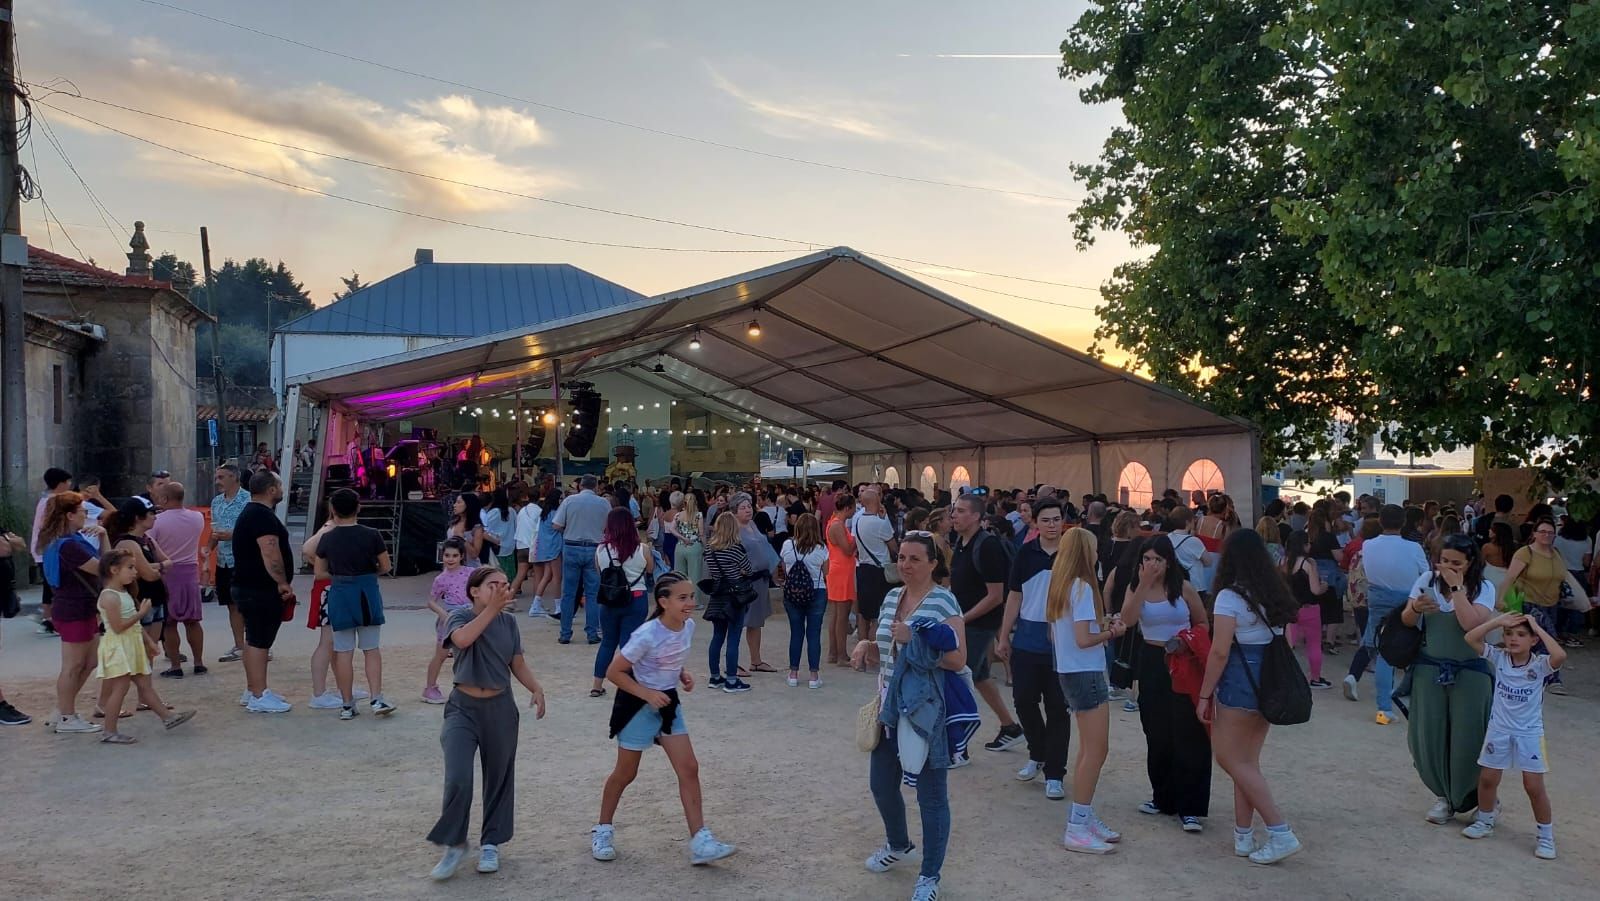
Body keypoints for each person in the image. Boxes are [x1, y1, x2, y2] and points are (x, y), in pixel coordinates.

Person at [849, 531, 965, 901]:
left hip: (925, 710)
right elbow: (886, 643)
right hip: (888, 705)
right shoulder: (891, 596)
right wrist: (867, 644)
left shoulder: (944, 602)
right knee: (881, 784)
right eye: (901, 557)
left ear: (933, 563)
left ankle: (930, 875)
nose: (906, 565)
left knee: (931, 796)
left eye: (915, 559)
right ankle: (899, 844)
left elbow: (958, 660)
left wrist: (911, 639)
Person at [592, 572, 737, 867]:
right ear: (663, 601)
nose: (690, 603)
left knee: (689, 768)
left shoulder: (688, 626)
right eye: (682, 598)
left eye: (692, 597)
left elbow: (670, 657)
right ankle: (603, 830)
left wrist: (680, 673)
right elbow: (613, 672)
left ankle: (700, 840)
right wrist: (646, 693)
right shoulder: (646, 633)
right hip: (636, 706)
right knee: (625, 773)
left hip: (668, 703)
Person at [427, 565, 548, 879]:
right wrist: (491, 611)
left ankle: (491, 842)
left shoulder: (508, 623)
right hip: (462, 708)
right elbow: (463, 640)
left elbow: (516, 661)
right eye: (493, 585)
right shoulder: (459, 616)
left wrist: (535, 687)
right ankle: (454, 842)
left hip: (500, 708)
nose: (502, 590)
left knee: (499, 778)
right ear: (474, 591)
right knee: (458, 776)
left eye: (505, 585)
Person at [1196, 530, 1303, 865]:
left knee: (1230, 758)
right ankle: (1243, 834)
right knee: (1247, 761)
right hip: (1270, 679)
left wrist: (1204, 694)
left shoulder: (1229, 597)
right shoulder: (1273, 591)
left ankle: (1279, 830)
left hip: (1240, 682)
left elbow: (1219, 652)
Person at [1119, 534, 1212, 831]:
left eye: (1157, 559)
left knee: (1188, 732)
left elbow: (1202, 622)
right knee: (1156, 730)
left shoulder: (1182, 588)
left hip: (1183, 660)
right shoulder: (1136, 588)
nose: (1152, 564)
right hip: (1152, 659)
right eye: (1147, 558)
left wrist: (1186, 641)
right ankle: (1163, 796)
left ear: (1168, 561)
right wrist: (1144, 584)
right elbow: (1127, 621)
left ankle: (1191, 806)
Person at [1402, 533, 1497, 825]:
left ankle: (1480, 799)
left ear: (1470, 563)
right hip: (1429, 671)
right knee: (1429, 734)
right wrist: (1415, 608)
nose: (1447, 567)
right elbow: (1406, 619)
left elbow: (1471, 624)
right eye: (1443, 560)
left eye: (1456, 563)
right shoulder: (1426, 581)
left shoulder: (1484, 587)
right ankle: (1443, 796)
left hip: (1471, 673)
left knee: (1470, 736)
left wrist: (1457, 588)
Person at [1459, 611, 1565, 859]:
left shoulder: (1539, 665)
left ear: (1533, 640)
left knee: (1533, 786)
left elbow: (1560, 655)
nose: (1513, 639)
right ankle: (1485, 821)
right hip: (1499, 730)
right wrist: (1497, 621)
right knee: (1487, 779)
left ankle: (1546, 836)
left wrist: (1537, 628)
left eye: (1520, 635)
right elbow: (1470, 639)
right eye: (1509, 634)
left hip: (1529, 733)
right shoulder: (1499, 657)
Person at [1048, 528, 1127, 854]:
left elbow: (1063, 637)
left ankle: (1084, 815)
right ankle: (1078, 824)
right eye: (1094, 549)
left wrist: (1102, 626)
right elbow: (1083, 639)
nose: (1098, 553)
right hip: (1086, 672)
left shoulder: (1061, 585)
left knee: (1088, 750)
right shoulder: (1081, 587)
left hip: (1072, 670)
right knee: (1096, 750)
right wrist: (1112, 633)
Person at [995, 498, 1072, 801]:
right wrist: (1004, 636)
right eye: (1047, 520)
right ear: (1035, 523)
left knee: (1057, 708)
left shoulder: (1072, 554)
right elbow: (1014, 596)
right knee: (1024, 700)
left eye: (1057, 519)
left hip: (1061, 640)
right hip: (1028, 636)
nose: (1052, 525)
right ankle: (1036, 753)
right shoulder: (1025, 553)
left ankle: (1055, 772)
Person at [91, 549, 196, 744]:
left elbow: (134, 626)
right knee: (120, 689)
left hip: (130, 645)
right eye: (130, 568)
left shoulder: (122, 593)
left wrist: (149, 642)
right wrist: (142, 613)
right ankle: (109, 731)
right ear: (114, 570)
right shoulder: (109, 596)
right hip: (119, 647)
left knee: (144, 685)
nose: (135, 572)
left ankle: (168, 718)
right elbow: (118, 627)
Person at [948, 492, 1023, 754]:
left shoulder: (987, 546)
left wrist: (961, 619)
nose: (954, 515)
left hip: (978, 624)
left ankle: (958, 744)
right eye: (954, 510)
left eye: (960, 511)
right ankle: (1010, 727)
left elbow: (995, 596)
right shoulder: (961, 541)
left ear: (977, 516)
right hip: (965, 621)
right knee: (979, 676)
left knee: (957, 680)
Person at [313, 488, 396, 720]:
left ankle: (347, 704)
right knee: (371, 649)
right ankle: (376, 697)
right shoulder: (372, 534)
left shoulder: (327, 538)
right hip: (367, 592)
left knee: (343, 651)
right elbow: (386, 566)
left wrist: (339, 573)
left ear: (333, 510)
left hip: (340, 593)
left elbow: (319, 573)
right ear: (358, 507)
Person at [1343, 505, 1429, 724]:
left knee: (1384, 653)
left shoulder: (1368, 545)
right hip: (1407, 600)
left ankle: (1384, 708)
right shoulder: (1414, 548)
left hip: (1378, 600)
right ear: (1403, 522)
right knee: (1417, 648)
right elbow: (1426, 574)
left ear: (1380, 521)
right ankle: (1417, 702)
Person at [37, 492, 110, 733]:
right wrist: (105, 536)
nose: (86, 516)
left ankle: (63, 710)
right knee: (73, 665)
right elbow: (105, 568)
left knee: (89, 661)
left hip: (82, 607)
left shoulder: (66, 540)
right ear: (69, 515)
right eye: (83, 512)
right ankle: (67, 716)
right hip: (73, 608)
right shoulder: (68, 545)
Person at [231, 471, 295, 714]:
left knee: (254, 640)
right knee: (260, 641)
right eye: (279, 485)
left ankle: (254, 689)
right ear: (271, 490)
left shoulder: (252, 513)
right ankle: (259, 694)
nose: (282, 490)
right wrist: (281, 581)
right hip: (259, 588)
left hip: (248, 586)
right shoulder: (262, 516)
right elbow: (270, 552)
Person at [1500, 518, 1586, 696]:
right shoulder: (1525, 553)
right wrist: (1501, 599)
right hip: (1529, 603)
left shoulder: (1556, 554)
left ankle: (1527, 676)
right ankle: (1554, 680)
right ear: (1535, 534)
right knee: (1550, 640)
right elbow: (1510, 577)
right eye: (1543, 532)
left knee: (1535, 643)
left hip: (1552, 604)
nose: (1547, 535)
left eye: (1550, 532)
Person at [103, 498, 176, 679]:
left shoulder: (146, 539)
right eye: (151, 514)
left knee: (150, 650)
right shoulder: (128, 543)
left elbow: (168, 562)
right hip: (141, 597)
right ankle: (143, 694)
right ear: (138, 518)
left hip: (155, 597)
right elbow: (148, 574)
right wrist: (159, 567)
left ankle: (146, 693)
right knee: (142, 649)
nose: (155, 518)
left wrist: (154, 566)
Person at [591, 507, 655, 698]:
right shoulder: (642, 549)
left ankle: (596, 685)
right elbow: (650, 570)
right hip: (636, 599)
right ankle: (628, 685)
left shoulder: (601, 549)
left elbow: (599, 572)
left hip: (610, 600)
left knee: (608, 643)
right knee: (630, 644)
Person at [148, 483, 207, 677]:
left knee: (170, 623)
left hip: (167, 572)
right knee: (193, 620)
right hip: (190, 571)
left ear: (165, 499)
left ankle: (175, 666)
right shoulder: (197, 518)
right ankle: (198, 662)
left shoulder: (156, 521)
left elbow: (151, 547)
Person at [555, 474, 613, 645]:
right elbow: (609, 527)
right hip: (594, 549)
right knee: (593, 594)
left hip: (571, 547)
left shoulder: (569, 501)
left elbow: (556, 525)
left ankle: (565, 633)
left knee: (568, 593)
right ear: (596, 487)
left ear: (580, 486)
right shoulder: (604, 503)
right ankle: (592, 633)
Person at [702, 512, 754, 693]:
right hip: (735, 596)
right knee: (733, 637)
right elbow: (748, 569)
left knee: (717, 636)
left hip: (717, 595)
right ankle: (732, 679)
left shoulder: (709, 549)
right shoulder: (736, 548)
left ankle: (715, 676)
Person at [780, 512, 830, 689]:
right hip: (816, 591)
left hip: (793, 592)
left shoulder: (787, 545)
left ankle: (793, 673)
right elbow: (826, 572)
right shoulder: (821, 548)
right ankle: (814, 676)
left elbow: (785, 568)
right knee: (814, 634)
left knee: (796, 632)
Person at [731, 494, 779, 675]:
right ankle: (732, 662)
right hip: (745, 581)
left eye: (749, 506)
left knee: (756, 622)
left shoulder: (752, 525)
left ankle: (756, 660)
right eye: (743, 507)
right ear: (735, 511)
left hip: (760, 580)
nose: (747, 510)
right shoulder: (734, 529)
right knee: (738, 622)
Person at [423, 538, 475, 704]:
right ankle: (430, 687)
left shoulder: (471, 573)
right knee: (441, 654)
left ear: (461, 556)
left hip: (469, 617)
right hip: (449, 619)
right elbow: (431, 601)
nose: (450, 559)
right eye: (447, 555)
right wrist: (444, 614)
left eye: (454, 555)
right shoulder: (440, 579)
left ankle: (469, 688)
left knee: (470, 654)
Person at [209, 464, 252, 662]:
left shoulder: (248, 501)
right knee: (231, 604)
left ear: (234, 477)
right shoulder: (216, 502)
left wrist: (232, 535)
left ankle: (257, 644)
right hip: (223, 560)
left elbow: (254, 530)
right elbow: (214, 530)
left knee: (249, 604)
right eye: (217, 477)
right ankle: (239, 645)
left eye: (221, 477)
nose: (218, 481)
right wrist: (208, 547)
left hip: (243, 559)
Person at [1281, 531, 1332, 690]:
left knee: (1288, 644)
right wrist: (1325, 585)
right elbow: (1315, 590)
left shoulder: (1283, 561)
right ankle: (1315, 678)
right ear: (1303, 545)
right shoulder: (1308, 564)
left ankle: (1285, 677)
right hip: (1309, 609)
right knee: (1314, 645)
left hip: (1290, 609)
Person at [29, 466, 75, 635]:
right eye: (67, 481)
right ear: (60, 483)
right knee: (52, 587)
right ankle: (50, 621)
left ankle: (48, 620)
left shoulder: (46, 499)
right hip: (48, 550)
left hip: (44, 549)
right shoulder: (53, 501)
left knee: (49, 587)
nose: (70, 484)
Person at [855, 487, 900, 646]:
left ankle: (861, 648)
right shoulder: (880, 524)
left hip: (863, 568)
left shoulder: (858, 521)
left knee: (863, 613)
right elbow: (893, 547)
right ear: (877, 502)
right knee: (876, 615)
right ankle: (873, 651)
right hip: (879, 571)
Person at [825, 493, 859, 667]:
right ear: (847, 508)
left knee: (836, 614)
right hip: (841, 571)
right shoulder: (838, 525)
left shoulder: (834, 522)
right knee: (841, 615)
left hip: (837, 569)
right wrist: (856, 537)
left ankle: (833, 653)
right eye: (853, 508)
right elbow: (847, 549)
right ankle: (841, 655)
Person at [529, 488, 564, 618]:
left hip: (545, 548)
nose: (562, 500)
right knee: (557, 578)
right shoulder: (555, 513)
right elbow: (558, 526)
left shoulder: (544, 513)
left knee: (547, 576)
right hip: (554, 548)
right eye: (560, 498)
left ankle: (536, 605)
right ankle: (558, 607)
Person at [510, 487, 542, 612]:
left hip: (521, 544)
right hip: (533, 545)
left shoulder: (522, 511)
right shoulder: (540, 511)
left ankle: (508, 600)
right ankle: (536, 604)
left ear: (527, 497)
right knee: (538, 575)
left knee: (520, 575)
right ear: (539, 498)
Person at [481, 486, 519, 587]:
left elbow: (485, 528)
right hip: (510, 544)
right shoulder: (512, 511)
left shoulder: (492, 513)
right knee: (510, 567)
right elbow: (516, 526)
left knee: (497, 568)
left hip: (496, 544)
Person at [448, 492, 488, 565]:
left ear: (468, 505)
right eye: (455, 502)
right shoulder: (453, 522)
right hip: (452, 566)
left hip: (469, 568)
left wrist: (463, 539)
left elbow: (474, 554)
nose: (454, 505)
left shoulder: (476, 527)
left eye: (459, 502)